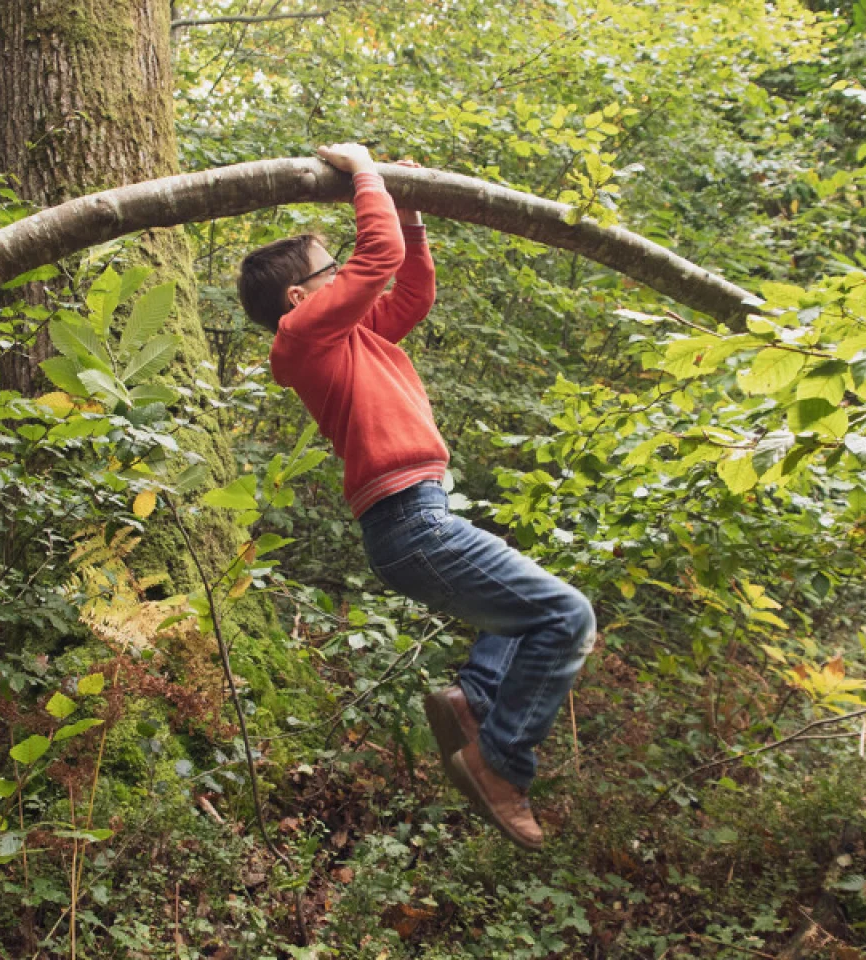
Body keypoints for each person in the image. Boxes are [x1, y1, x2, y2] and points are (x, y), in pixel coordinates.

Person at [236, 144, 596, 850]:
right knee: (567, 617)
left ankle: (476, 703)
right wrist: (367, 173)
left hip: (419, 517)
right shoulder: (304, 335)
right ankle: (500, 764)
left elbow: (412, 294)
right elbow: (377, 257)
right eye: (330, 266)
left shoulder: (351, 337)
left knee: (526, 615)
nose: (346, 272)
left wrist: (412, 212)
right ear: (300, 299)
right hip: (408, 522)